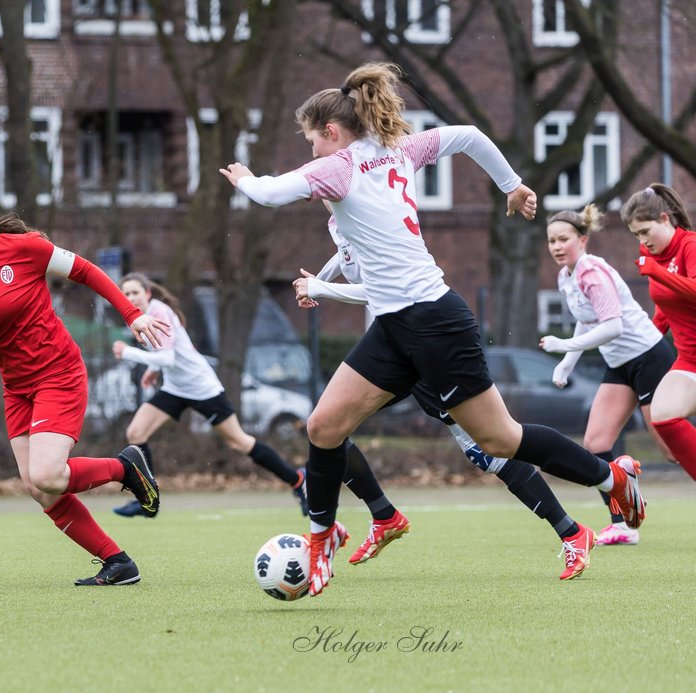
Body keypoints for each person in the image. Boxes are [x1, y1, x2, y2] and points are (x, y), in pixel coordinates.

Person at [220, 61, 643, 596]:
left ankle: (612, 478)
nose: (311, 154)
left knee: (500, 438)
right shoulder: (399, 149)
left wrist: (245, 178)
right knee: (324, 427)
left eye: (311, 141)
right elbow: (468, 135)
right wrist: (512, 186)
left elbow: (269, 194)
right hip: (396, 326)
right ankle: (321, 535)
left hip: (435, 320)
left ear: (331, 132)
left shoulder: (342, 165)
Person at [296, 214, 600, 579]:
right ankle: (383, 516)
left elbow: (376, 289)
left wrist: (321, 289)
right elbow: (346, 255)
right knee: (329, 427)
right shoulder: (339, 209)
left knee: (491, 448)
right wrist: (320, 278)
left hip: (420, 340)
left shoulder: (367, 206)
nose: (313, 157)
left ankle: (578, 523)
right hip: (390, 346)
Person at [0, 184, 170, 586]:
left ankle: (125, 468)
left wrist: (131, 315)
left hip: (57, 372)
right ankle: (118, 562)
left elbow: (87, 271)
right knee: (39, 489)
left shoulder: (25, 248)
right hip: (16, 387)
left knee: (48, 475)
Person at [108, 272, 309, 518]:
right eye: (125, 294)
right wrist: (153, 369)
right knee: (136, 433)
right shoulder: (139, 317)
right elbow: (170, 353)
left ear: (147, 293)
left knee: (239, 441)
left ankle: (298, 480)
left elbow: (168, 357)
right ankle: (147, 499)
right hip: (175, 388)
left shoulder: (159, 312)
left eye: (135, 292)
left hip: (202, 387)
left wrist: (128, 353)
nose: (130, 297)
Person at [537, 204, 678, 546]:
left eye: (564, 239)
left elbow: (612, 325)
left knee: (673, 452)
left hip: (649, 357)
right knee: (596, 444)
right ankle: (623, 525)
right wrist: (566, 363)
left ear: (582, 239)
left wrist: (564, 344)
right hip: (620, 364)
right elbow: (587, 319)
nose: (557, 246)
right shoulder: (565, 276)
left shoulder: (591, 271)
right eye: (552, 240)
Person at [621, 183, 696, 480]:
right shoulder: (656, 258)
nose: (642, 240)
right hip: (689, 360)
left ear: (664, 219)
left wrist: (656, 272)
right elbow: (665, 310)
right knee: (663, 417)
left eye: (645, 231)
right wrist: (645, 339)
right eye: (636, 235)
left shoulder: (689, 244)